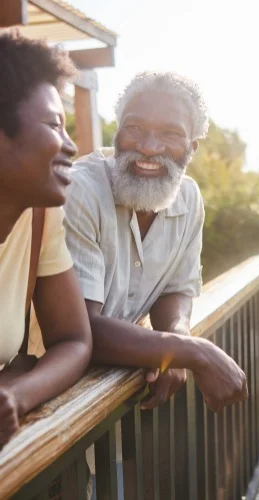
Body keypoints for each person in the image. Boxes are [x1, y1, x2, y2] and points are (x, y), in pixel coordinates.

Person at [65, 71, 248, 412]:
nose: (149, 147)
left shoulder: (189, 198)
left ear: (192, 147)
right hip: (45, 403)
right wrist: (189, 351)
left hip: (110, 398)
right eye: (134, 128)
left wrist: (176, 337)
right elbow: (78, 327)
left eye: (170, 133)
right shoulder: (80, 191)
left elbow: (175, 288)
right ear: (117, 132)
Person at [0, 29, 92, 447]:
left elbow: (74, 340)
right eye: (55, 125)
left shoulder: (40, 217)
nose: (70, 145)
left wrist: (17, 395)